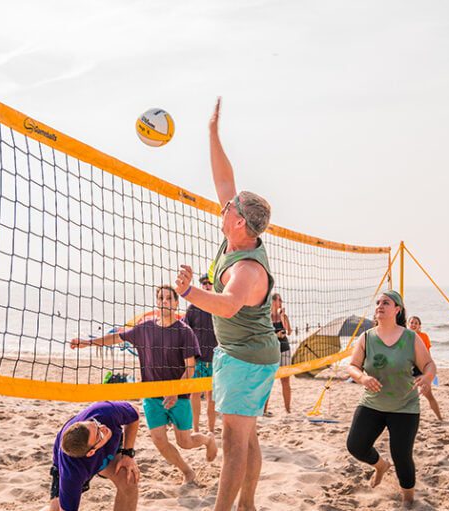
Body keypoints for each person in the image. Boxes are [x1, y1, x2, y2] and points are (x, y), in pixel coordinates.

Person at [173, 98, 280, 511]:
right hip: (242, 354)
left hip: (248, 359)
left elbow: (230, 305)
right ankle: (248, 505)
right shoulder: (237, 234)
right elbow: (224, 179)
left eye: (230, 208)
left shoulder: (248, 269)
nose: (225, 205)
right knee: (246, 434)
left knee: (235, 442)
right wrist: (212, 133)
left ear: (239, 221)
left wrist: (189, 293)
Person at [73, 285, 216, 484]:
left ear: (176, 303)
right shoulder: (145, 328)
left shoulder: (185, 332)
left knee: (185, 442)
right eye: (161, 298)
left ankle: (208, 439)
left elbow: (190, 368)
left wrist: (175, 392)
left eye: (169, 298)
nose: (165, 301)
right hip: (151, 395)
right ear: (157, 302)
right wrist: (88, 343)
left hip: (178, 396)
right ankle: (187, 472)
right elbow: (116, 337)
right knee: (159, 440)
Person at [346, 291, 434, 509]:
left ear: (398, 310)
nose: (380, 306)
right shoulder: (366, 337)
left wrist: (427, 377)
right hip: (372, 404)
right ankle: (381, 466)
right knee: (355, 445)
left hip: (405, 406)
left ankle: (408, 498)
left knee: (402, 456)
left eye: (386, 302)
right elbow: (352, 366)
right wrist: (363, 378)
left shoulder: (410, 338)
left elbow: (429, 365)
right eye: (378, 303)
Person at [42, 402, 141, 511]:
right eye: (99, 434)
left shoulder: (104, 413)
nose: (103, 427)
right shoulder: (71, 471)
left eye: (96, 424)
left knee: (128, 479)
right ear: (91, 453)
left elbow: (134, 413)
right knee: (56, 509)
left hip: (108, 448)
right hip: (77, 464)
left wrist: (128, 454)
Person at [182, 274, 219, 434]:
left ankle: (210, 429)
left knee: (212, 397)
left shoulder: (219, 305)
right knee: (195, 395)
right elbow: (184, 331)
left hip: (215, 358)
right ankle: (196, 428)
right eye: (204, 283)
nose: (207, 285)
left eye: (209, 283)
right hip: (197, 359)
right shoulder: (193, 308)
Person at [407, 316, 442, 420]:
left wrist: (429, 370)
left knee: (429, 395)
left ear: (419, 326)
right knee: (406, 395)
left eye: (416, 323)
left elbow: (427, 354)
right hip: (408, 368)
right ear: (408, 324)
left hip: (421, 368)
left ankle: (440, 417)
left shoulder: (424, 336)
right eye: (411, 323)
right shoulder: (405, 336)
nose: (413, 325)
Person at [265, 292, 292, 415]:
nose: (280, 302)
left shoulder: (283, 316)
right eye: (278, 300)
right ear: (272, 302)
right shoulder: (266, 317)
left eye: (280, 300)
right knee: (267, 381)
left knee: (285, 381)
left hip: (284, 348)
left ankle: (287, 410)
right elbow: (265, 335)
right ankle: (264, 410)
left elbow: (289, 331)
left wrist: (282, 317)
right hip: (271, 350)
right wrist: (276, 335)